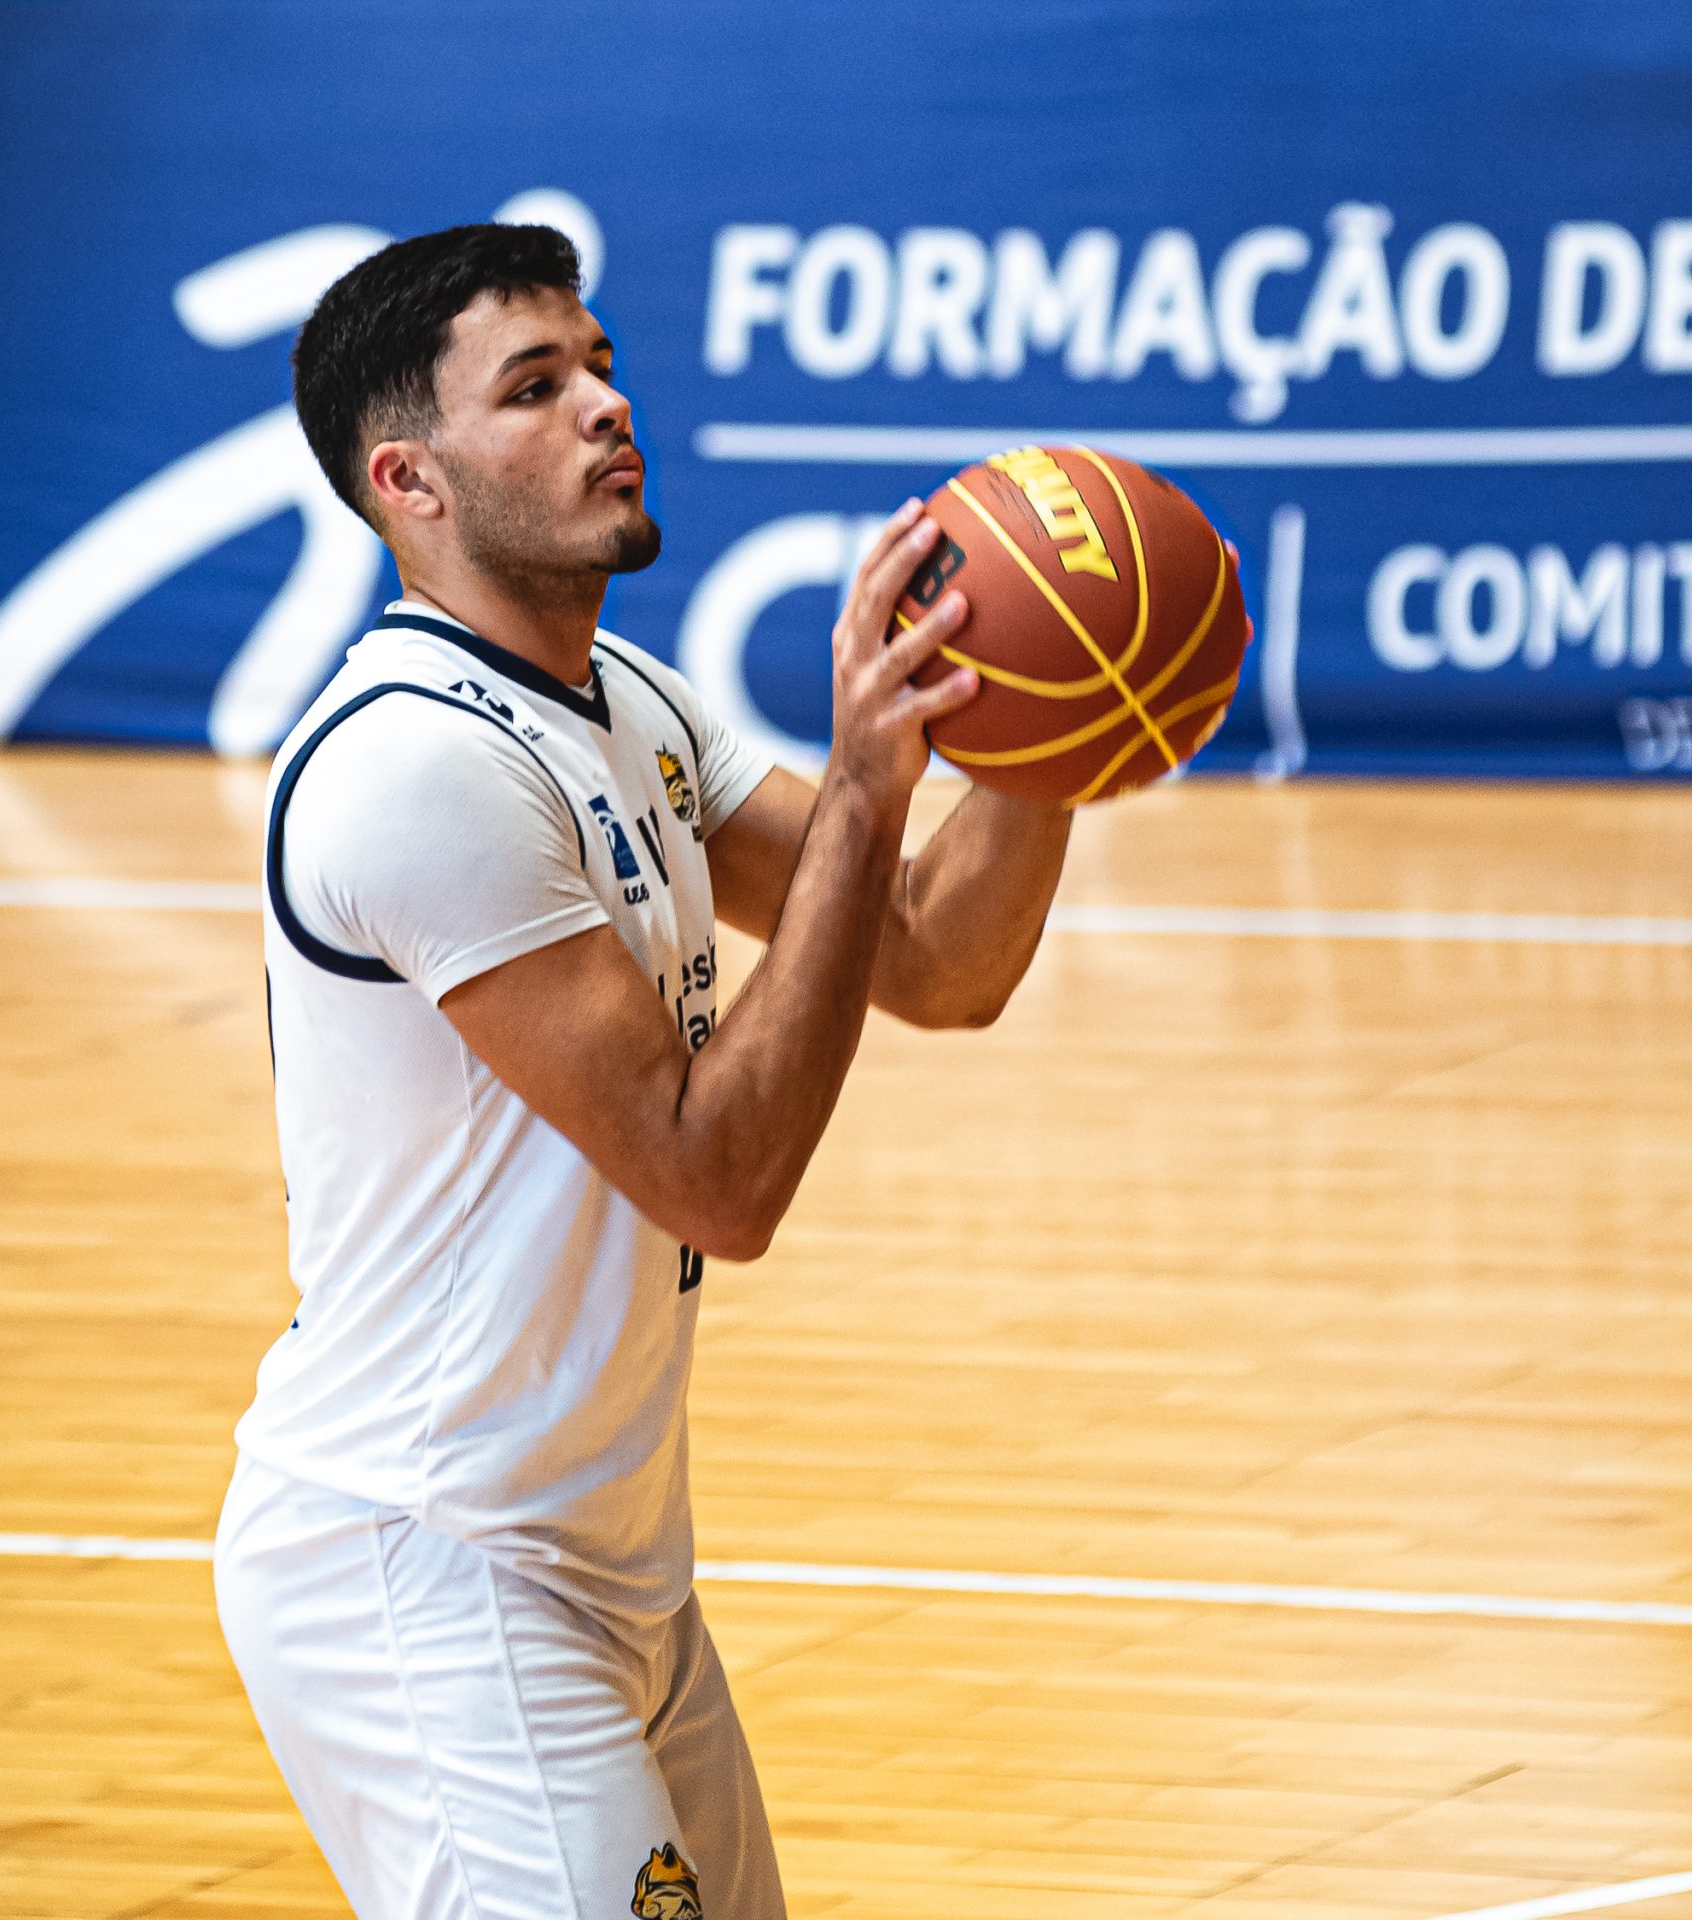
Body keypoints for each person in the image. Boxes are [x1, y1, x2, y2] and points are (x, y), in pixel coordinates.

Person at [213, 222, 1070, 1920]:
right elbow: (715, 1177)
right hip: (427, 1560)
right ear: (409, 481)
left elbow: (930, 958)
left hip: (605, 1558)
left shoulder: (628, 704)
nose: (607, 405)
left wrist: (1054, 733)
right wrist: (869, 784)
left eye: (600, 365)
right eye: (535, 387)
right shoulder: (414, 766)